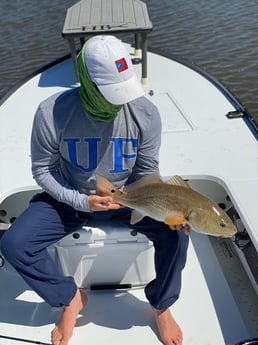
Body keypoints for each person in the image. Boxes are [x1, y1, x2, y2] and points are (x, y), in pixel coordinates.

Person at [0, 35, 189, 345]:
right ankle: (70, 298)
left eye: (125, 90)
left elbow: (146, 170)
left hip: (132, 199)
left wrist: (165, 208)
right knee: (14, 244)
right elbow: (43, 170)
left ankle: (161, 305)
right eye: (110, 92)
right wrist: (81, 200)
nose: (120, 101)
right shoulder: (51, 113)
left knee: (177, 232)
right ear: (86, 81)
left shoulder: (147, 114)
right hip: (70, 197)